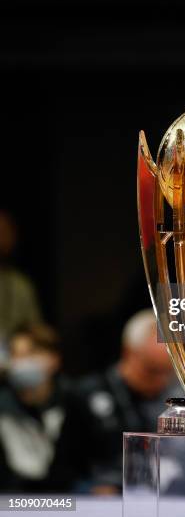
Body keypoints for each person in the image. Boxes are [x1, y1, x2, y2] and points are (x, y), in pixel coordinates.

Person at [74, 308, 178, 494]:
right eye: (152, 370)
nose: (161, 380)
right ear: (128, 353)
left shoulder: (177, 396)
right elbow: (67, 468)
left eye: (168, 372)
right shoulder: (86, 395)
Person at [0, 323, 87, 492]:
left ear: (54, 359)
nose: (22, 362)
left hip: (68, 497)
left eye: (31, 354)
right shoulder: (3, 404)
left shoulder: (74, 401)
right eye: (16, 355)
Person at [0, 210, 42, 339]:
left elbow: (34, 327)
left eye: (6, 231)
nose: (3, 237)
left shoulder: (20, 284)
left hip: (14, 354)